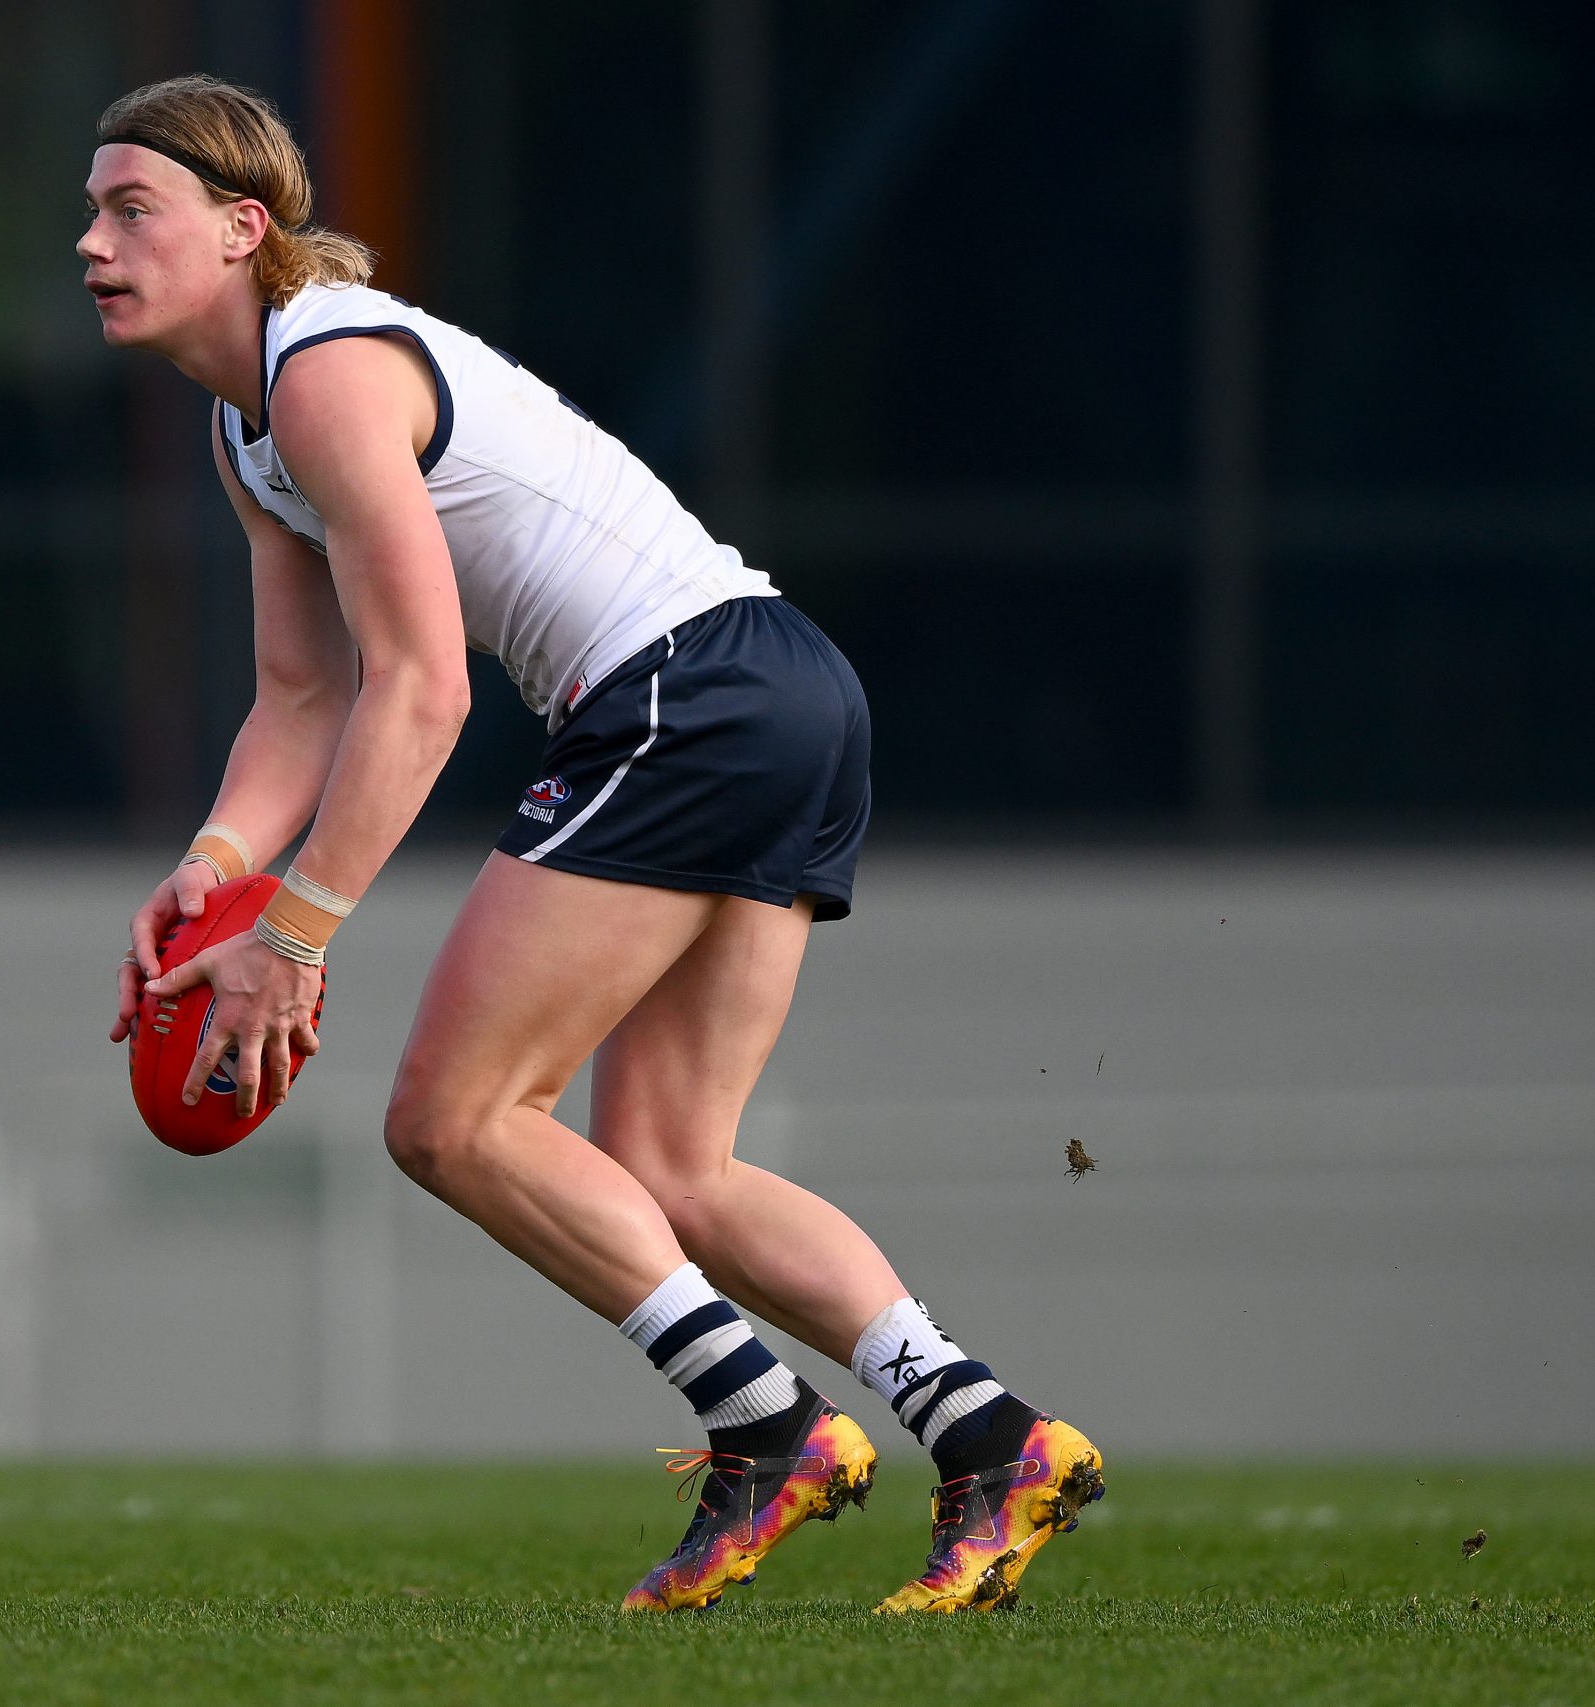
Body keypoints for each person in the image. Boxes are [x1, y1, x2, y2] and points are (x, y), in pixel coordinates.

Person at [89, 74, 1102, 1613]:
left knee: (452, 1118)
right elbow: (302, 694)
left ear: (242, 230)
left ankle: (767, 1434)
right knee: (672, 1168)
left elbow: (421, 691)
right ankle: (994, 1436)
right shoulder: (254, 428)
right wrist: (221, 862)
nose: (92, 240)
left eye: (128, 207)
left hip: (681, 698)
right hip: (780, 683)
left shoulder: (323, 375)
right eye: (92, 210)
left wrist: (293, 939)